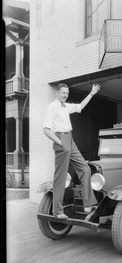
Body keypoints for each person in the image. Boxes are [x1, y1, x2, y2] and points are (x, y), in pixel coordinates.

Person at [43, 83, 101, 219]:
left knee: (85, 169)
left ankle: (88, 204)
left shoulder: (65, 106)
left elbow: (80, 106)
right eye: (63, 93)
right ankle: (57, 212)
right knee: (60, 177)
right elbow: (46, 130)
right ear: (57, 93)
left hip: (70, 139)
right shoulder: (52, 107)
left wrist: (92, 93)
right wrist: (61, 143)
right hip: (61, 139)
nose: (65, 95)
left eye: (67, 93)